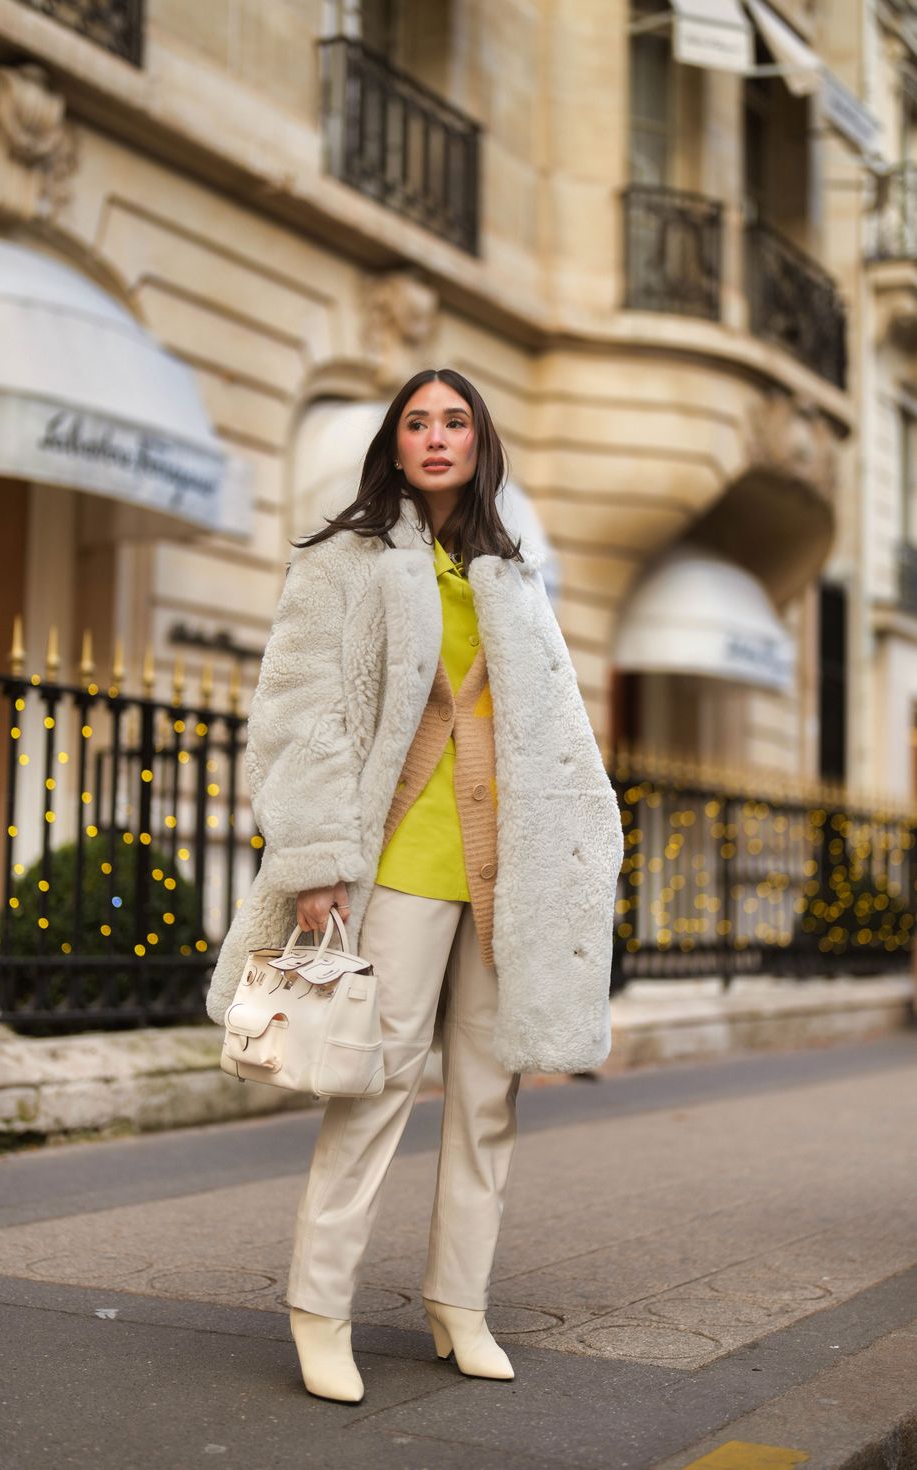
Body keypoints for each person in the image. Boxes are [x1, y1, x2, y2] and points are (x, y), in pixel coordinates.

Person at [206, 367, 625, 1403]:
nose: (435, 437)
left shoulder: (511, 578)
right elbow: (301, 712)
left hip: (502, 884)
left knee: (487, 1103)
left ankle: (458, 1307)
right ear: (393, 445)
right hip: (391, 873)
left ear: (479, 444)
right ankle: (318, 1310)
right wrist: (312, 860)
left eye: (454, 422)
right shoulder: (343, 561)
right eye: (416, 423)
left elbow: (556, 735)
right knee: (370, 1095)